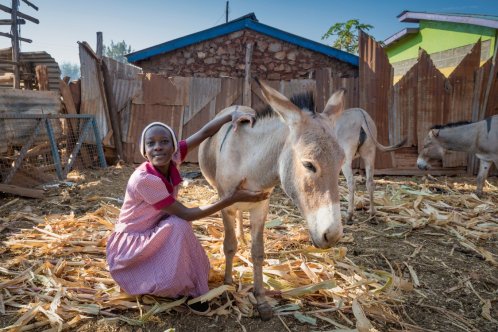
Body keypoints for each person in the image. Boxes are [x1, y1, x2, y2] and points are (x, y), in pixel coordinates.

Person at [106, 108, 268, 314]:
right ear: (144, 151)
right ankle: (182, 290)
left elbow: (203, 133)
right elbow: (187, 214)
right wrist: (232, 199)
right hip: (133, 245)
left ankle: (191, 285)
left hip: (156, 229)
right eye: (151, 143)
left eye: (164, 142)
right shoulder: (145, 180)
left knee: (177, 226)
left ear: (174, 146)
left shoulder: (173, 159)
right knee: (179, 225)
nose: (158, 147)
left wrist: (230, 116)